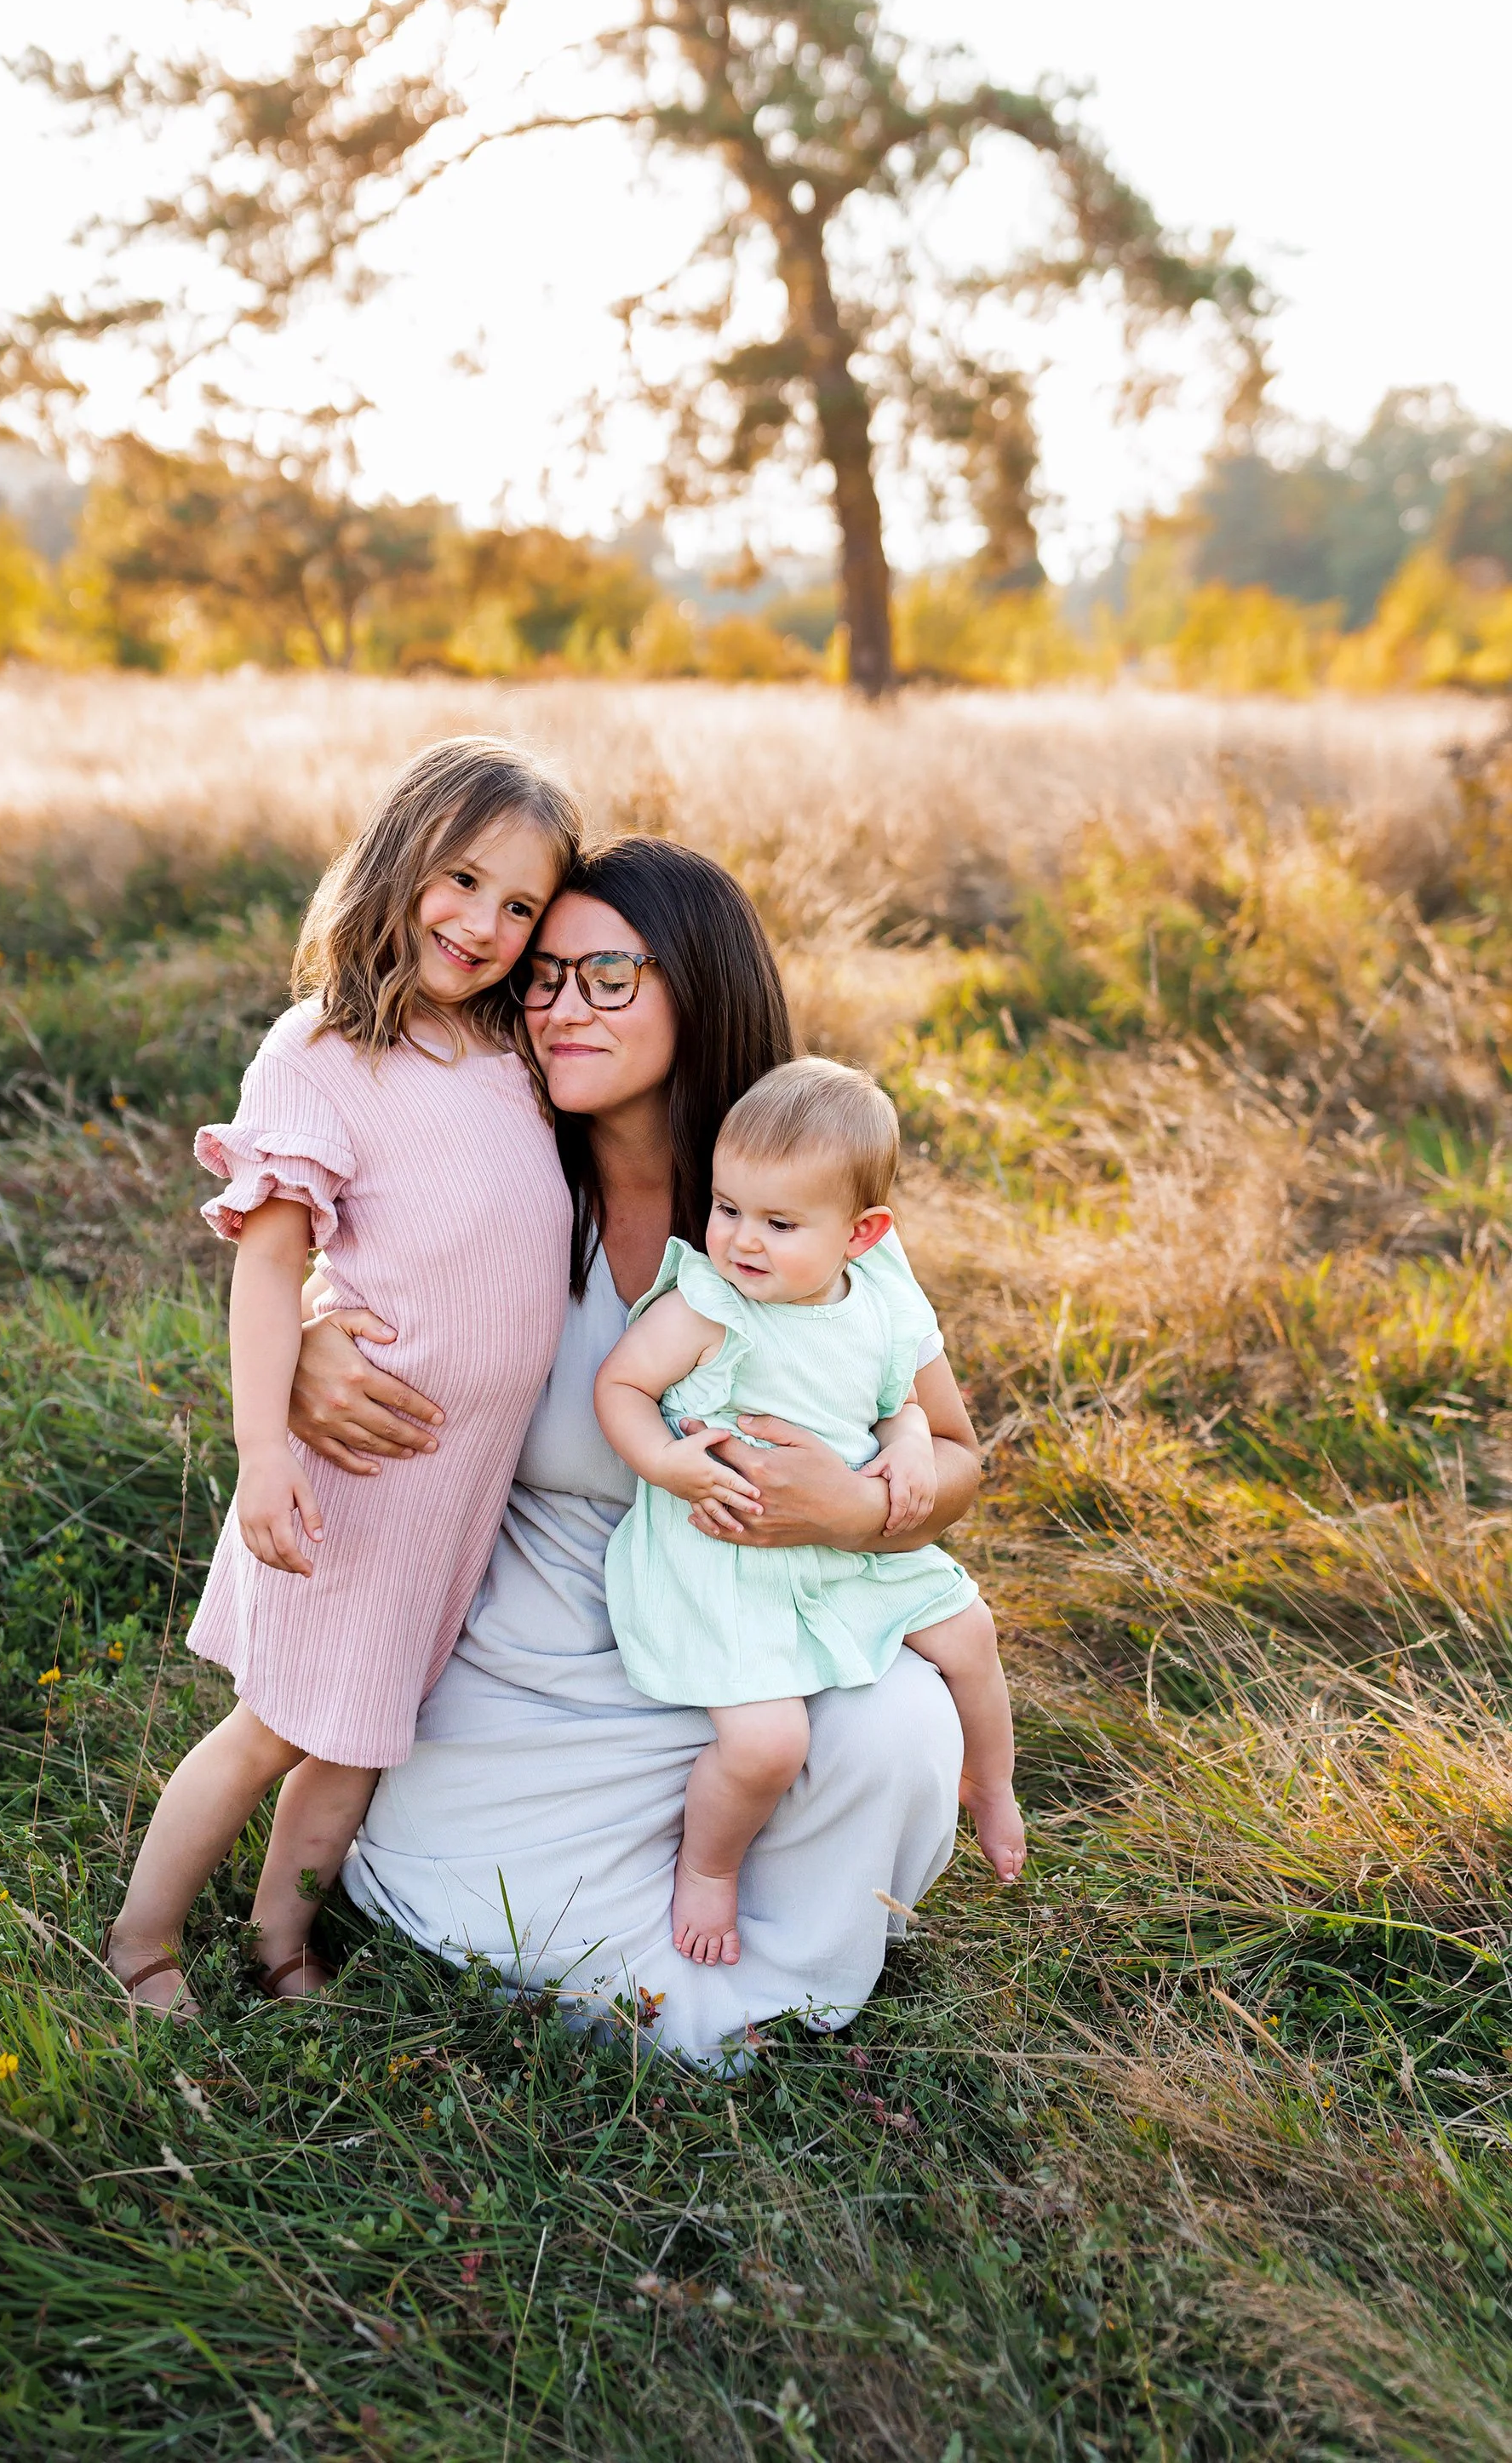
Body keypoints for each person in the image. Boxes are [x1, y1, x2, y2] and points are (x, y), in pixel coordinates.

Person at [286, 836, 985, 2066]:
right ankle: (687, 1953)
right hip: (539, 1659)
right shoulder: (496, 1177)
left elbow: (956, 1454)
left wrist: (852, 1507)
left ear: (699, 988)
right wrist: (311, 1335)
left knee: (902, 1728)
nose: (562, 1007)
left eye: (609, 976)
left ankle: (780, 1960)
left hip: (762, 1640)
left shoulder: (795, 1207)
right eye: (542, 977)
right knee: (518, 1927)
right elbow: (334, 1277)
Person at [103, 738, 581, 2015]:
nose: (481, 924)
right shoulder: (321, 1048)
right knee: (272, 1726)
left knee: (361, 1732)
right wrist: (264, 1450)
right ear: (399, 857)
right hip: (354, 1469)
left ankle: (282, 1938)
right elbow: (270, 1267)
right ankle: (143, 1940)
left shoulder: (510, 1051)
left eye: (519, 904)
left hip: (453, 1486)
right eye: (461, 880)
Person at [596, 1056, 1025, 1969]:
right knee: (766, 1744)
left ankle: (990, 1783)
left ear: (861, 1234)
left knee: (970, 1630)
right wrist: (665, 1461)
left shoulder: (879, 1307)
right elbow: (621, 1385)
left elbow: (901, 1405)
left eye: (779, 1223)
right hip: (728, 1555)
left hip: (844, 1543)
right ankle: (709, 1866)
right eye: (727, 1208)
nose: (741, 1240)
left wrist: (907, 1445)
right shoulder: (706, 1304)